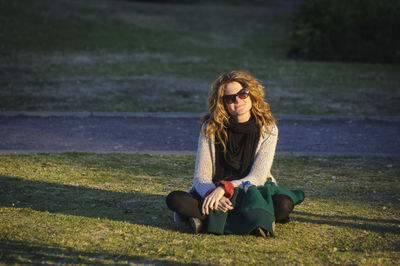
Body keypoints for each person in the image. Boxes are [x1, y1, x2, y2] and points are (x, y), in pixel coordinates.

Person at [166, 70, 299, 236]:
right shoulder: (210, 128)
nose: (238, 100)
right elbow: (201, 177)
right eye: (230, 98)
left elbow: (257, 177)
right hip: (214, 192)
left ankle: (205, 220)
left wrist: (225, 188)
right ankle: (251, 221)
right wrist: (213, 194)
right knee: (175, 199)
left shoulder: (268, 129)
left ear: (252, 95)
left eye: (242, 94)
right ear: (223, 103)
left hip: (250, 190)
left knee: (284, 204)